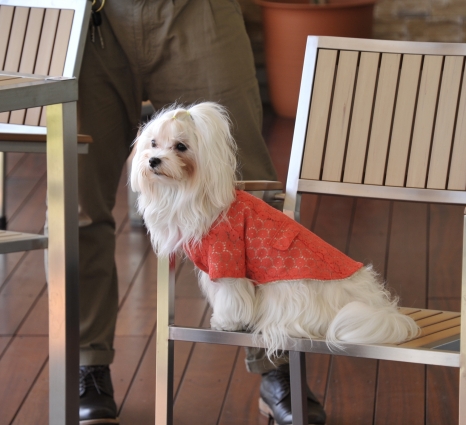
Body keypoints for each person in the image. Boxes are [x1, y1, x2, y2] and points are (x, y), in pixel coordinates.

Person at [76, 1, 326, 424]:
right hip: (89, 18)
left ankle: (277, 364)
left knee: (252, 194)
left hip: (197, 11)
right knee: (76, 204)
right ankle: (87, 364)